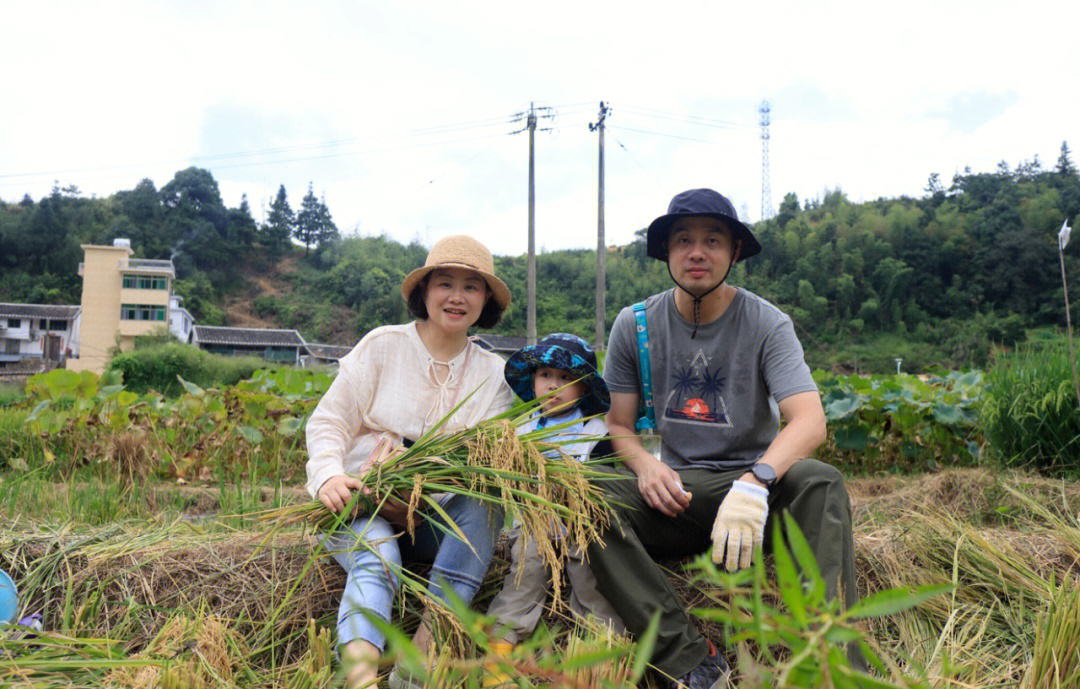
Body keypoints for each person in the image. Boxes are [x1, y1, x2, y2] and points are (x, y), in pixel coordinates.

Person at [589, 189, 859, 689]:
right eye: (684, 240)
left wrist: (758, 481)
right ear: (667, 253)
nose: (697, 252)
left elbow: (809, 421)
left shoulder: (766, 322)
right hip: (679, 495)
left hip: (755, 500)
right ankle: (688, 658)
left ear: (734, 252)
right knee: (583, 496)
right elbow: (619, 426)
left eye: (713, 240)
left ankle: (832, 666)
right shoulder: (636, 325)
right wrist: (647, 467)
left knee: (820, 482)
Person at [305, 235, 515, 689]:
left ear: (485, 301)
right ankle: (361, 680)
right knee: (377, 557)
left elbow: (482, 466)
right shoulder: (382, 346)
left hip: (431, 523)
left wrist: (418, 501)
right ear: (425, 291)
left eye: (471, 287)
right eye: (445, 283)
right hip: (363, 503)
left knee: (487, 503)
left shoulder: (494, 376)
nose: (457, 297)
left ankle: (415, 665)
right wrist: (328, 476)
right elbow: (328, 424)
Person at [484, 334, 624, 673]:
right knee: (525, 570)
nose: (553, 386)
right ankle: (501, 647)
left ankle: (603, 649)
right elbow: (511, 485)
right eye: (546, 375)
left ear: (584, 388)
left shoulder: (597, 432)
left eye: (566, 379)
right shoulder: (520, 432)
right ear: (532, 381)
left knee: (591, 577)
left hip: (580, 523)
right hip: (534, 524)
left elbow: (606, 485)